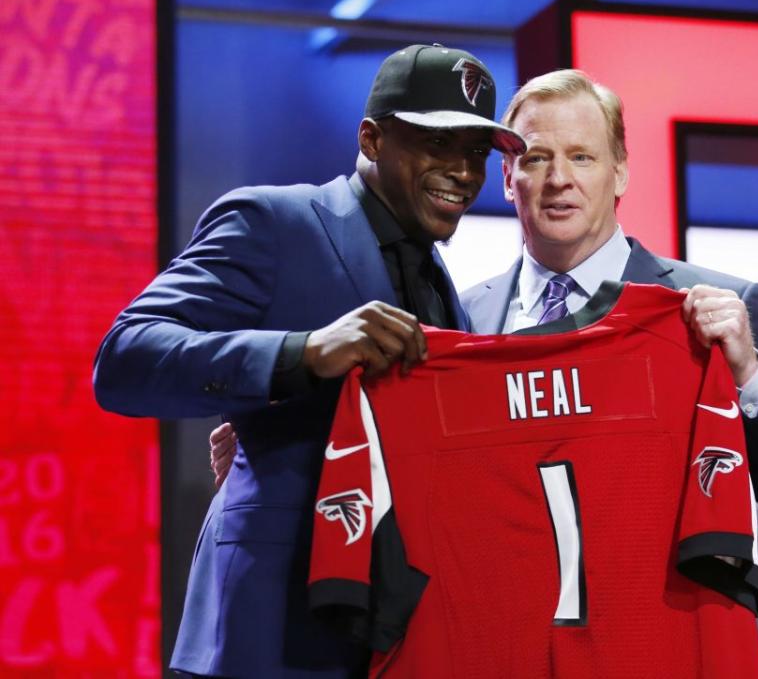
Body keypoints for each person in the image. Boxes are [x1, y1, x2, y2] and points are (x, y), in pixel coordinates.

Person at [93, 44, 524, 678]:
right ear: (372, 139)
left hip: (392, 634)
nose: (462, 171)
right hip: (268, 629)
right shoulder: (273, 220)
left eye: (476, 153)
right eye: (439, 143)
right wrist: (301, 354)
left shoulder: (442, 285)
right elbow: (125, 360)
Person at [460, 69, 758, 522]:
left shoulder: (723, 304)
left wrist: (747, 373)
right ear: (506, 177)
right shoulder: (463, 317)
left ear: (619, 174)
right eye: (536, 159)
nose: (559, 178)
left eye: (581, 157)